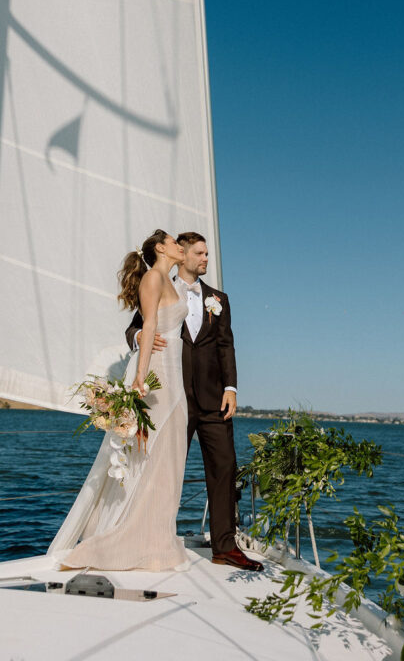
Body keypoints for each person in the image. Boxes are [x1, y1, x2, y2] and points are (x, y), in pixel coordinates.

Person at [46, 230, 191, 571]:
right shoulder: (153, 279)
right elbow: (149, 326)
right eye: (173, 241)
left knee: (170, 463)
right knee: (148, 458)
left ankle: (157, 539)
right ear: (160, 248)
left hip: (175, 380)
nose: (178, 247)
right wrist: (139, 378)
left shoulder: (171, 280)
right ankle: (125, 537)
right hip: (156, 378)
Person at [125, 232, 263, 572]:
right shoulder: (159, 283)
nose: (205, 259)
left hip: (214, 399)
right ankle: (154, 539)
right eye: (199, 253)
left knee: (225, 467)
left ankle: (225, 547)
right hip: (173, 396)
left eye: (206, 254)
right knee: (164, 468)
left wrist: (231, 387)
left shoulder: (219, 298)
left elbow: (226, 345)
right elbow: (135, 327)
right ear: (182, 254)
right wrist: (141, 336)